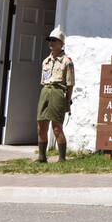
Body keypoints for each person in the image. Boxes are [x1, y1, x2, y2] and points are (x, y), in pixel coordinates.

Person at [37, 28, 74, 163]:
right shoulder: (46, 61)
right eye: (50, 40)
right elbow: (44, 79)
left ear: (61, 43)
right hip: (46, 90)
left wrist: (67, 101)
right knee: (41, 124)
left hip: (58, 91)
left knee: (56, 126)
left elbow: (70, 83)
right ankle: (42, 156)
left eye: (54, 40)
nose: (51, 43)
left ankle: (62, 158)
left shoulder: (66, 61)